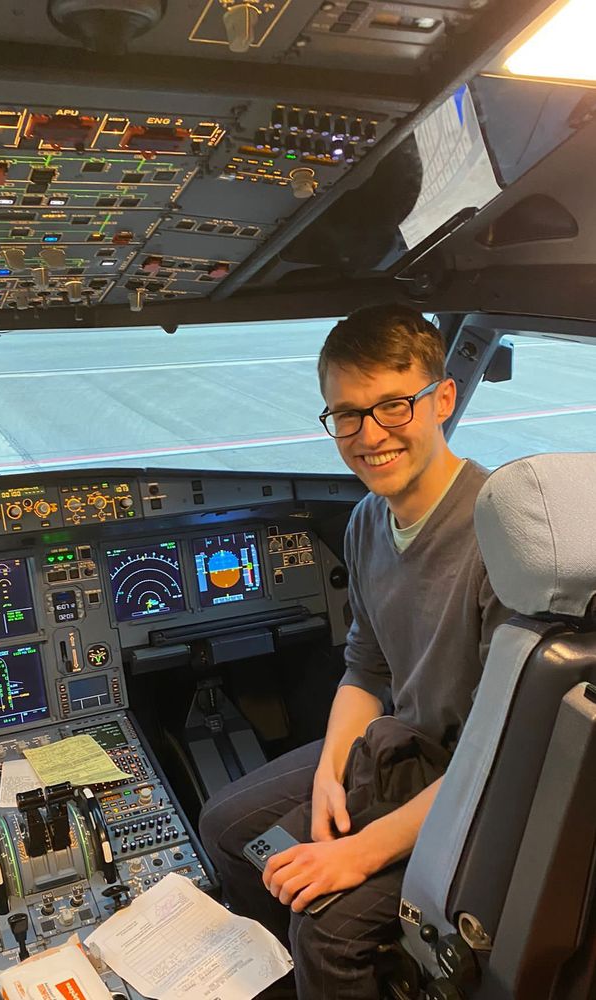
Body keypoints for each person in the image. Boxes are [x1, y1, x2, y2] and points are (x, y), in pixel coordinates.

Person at [198, 304, 510, 999]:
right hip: (404, 748)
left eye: (393, 406)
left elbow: (501, 759)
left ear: (443, 399)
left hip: (479, 788)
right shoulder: (369, 518)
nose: (369, 436)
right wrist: (330, 774)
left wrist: (357, 854)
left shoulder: (500, 540)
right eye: (346, 414)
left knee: (328, 928)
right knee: (227, 829)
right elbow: (364, 667)